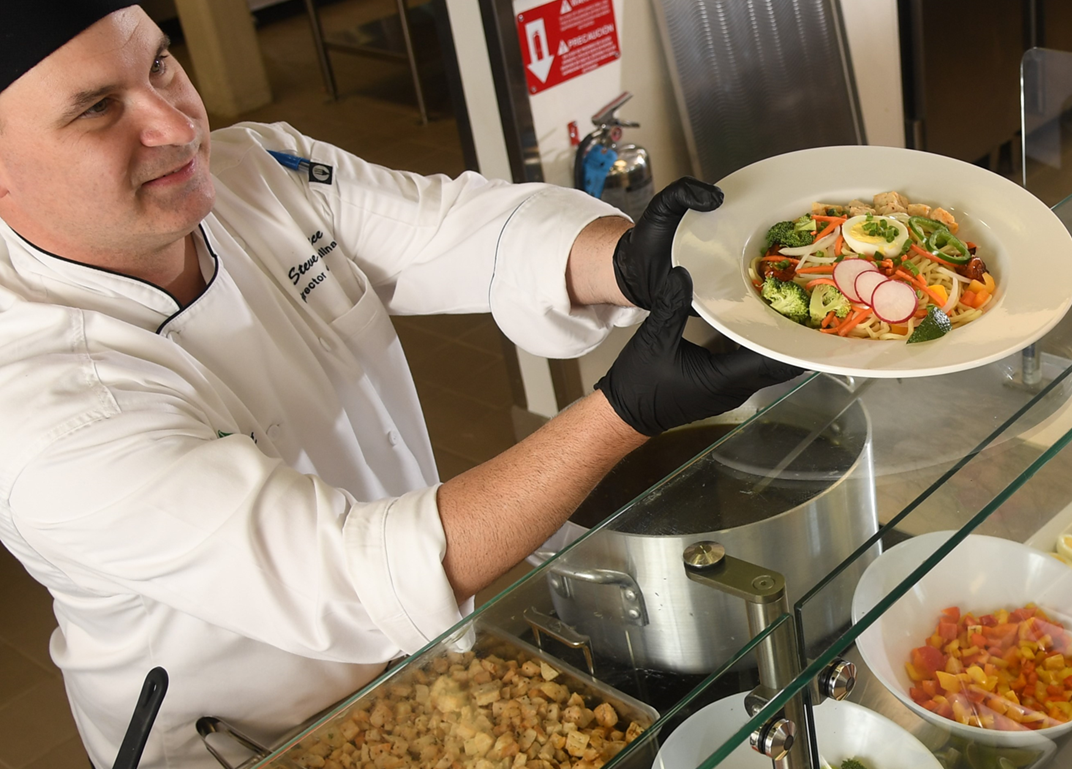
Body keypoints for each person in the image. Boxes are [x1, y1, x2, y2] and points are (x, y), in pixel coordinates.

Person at [0, 3, 800, 766]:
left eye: (162, 63)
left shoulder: (253, 169)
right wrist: (625, 411)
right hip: (247, 736)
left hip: (419, 668)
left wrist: (624, 262)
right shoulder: (38, 406)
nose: (177, 125)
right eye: (99, 108)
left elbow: (452, 230)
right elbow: (346, 574)